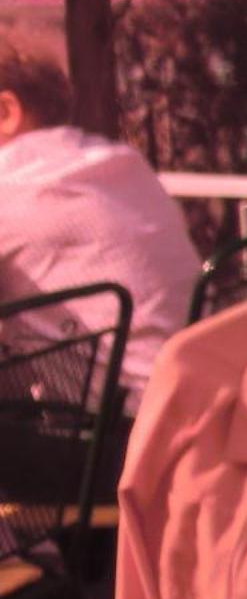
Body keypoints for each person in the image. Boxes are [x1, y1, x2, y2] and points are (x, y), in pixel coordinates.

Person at [0, 34, 200, 444]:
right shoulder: (120, 164)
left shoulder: (13, 187)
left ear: (6, 112)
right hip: (197, 419)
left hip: (116, 448)